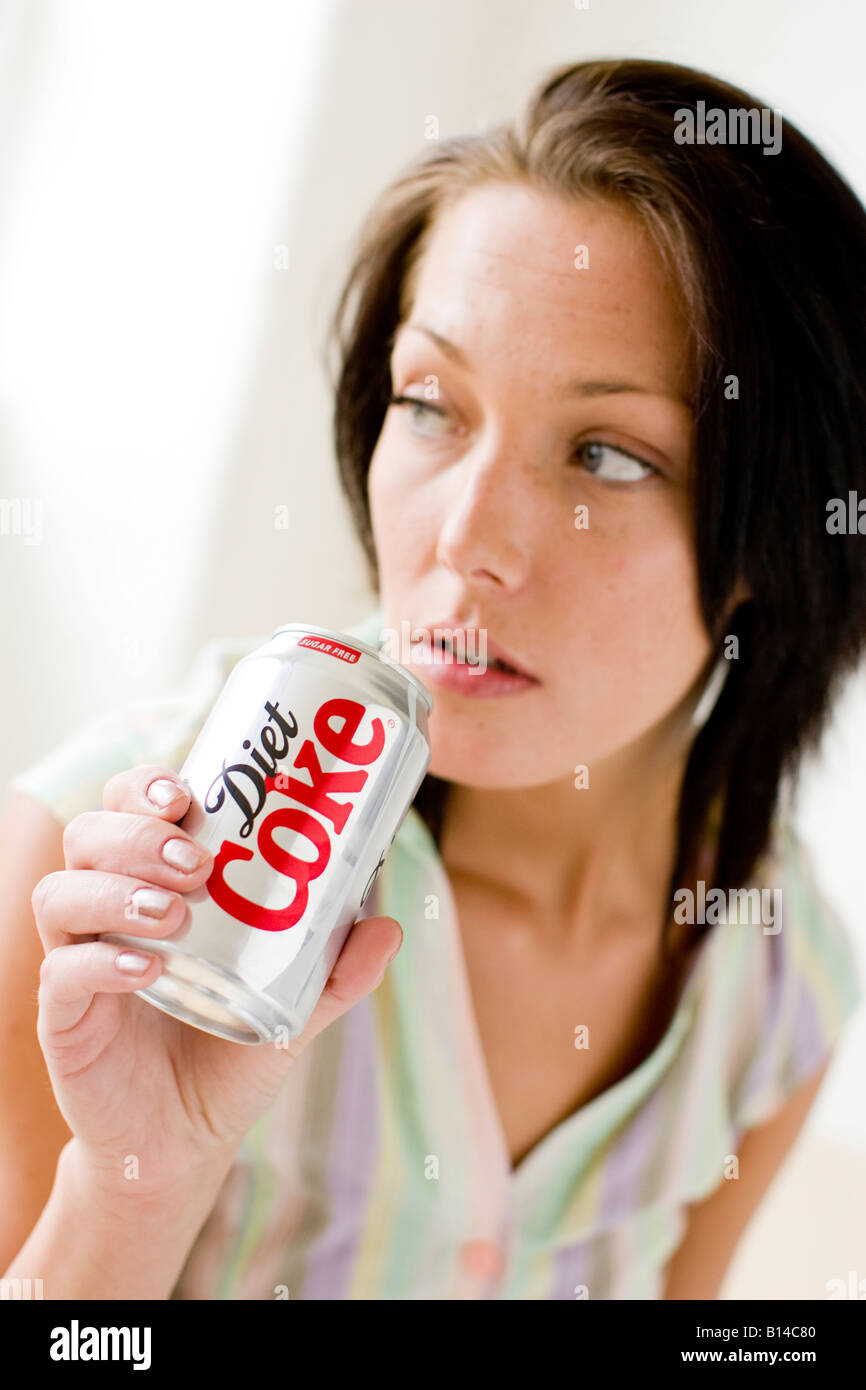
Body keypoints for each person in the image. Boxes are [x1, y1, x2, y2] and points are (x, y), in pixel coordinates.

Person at [2, 57, 865, 1301]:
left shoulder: (780, 987)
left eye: (606, 456)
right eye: (429, 405)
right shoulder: (105, 889)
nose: (466, 537)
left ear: (771, 547)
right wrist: (133, 1187)